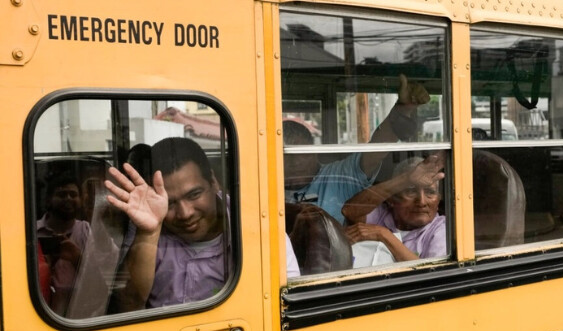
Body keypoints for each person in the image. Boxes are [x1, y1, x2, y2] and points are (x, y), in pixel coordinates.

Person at [105, 137, 298, 312]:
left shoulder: (258, 226)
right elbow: (126, 306)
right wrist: (148, 234)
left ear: (213, 182)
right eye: (170, 203)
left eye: (194, 195)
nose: (185, 213)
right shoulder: (149, 219)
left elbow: (284, 309)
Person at [284, 74, 430, 224]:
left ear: (313, 152)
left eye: (299, 154)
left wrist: (403, 109)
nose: (293, 163)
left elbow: (375, 151)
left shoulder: (337, 176)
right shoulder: (264, 187)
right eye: (285, 156)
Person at [342, 155, 446, 264]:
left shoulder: (441, 230)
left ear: (438, 200)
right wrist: (406, 179)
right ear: (392, 199)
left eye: (430, 192)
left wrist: (384, 235)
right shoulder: (383, 214)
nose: (422, 202)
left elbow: (431, 275)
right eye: (411, 191)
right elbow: (348, 211)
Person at [37, 173, 114, 315]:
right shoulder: (33, 231)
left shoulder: (86, 229)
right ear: (48, 201)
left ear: (80, 200)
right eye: (62, 194)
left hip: (79, 311)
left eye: (73, 194)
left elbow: (102, 276)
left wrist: (77, 258)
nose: (68, 199)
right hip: (40, 307)